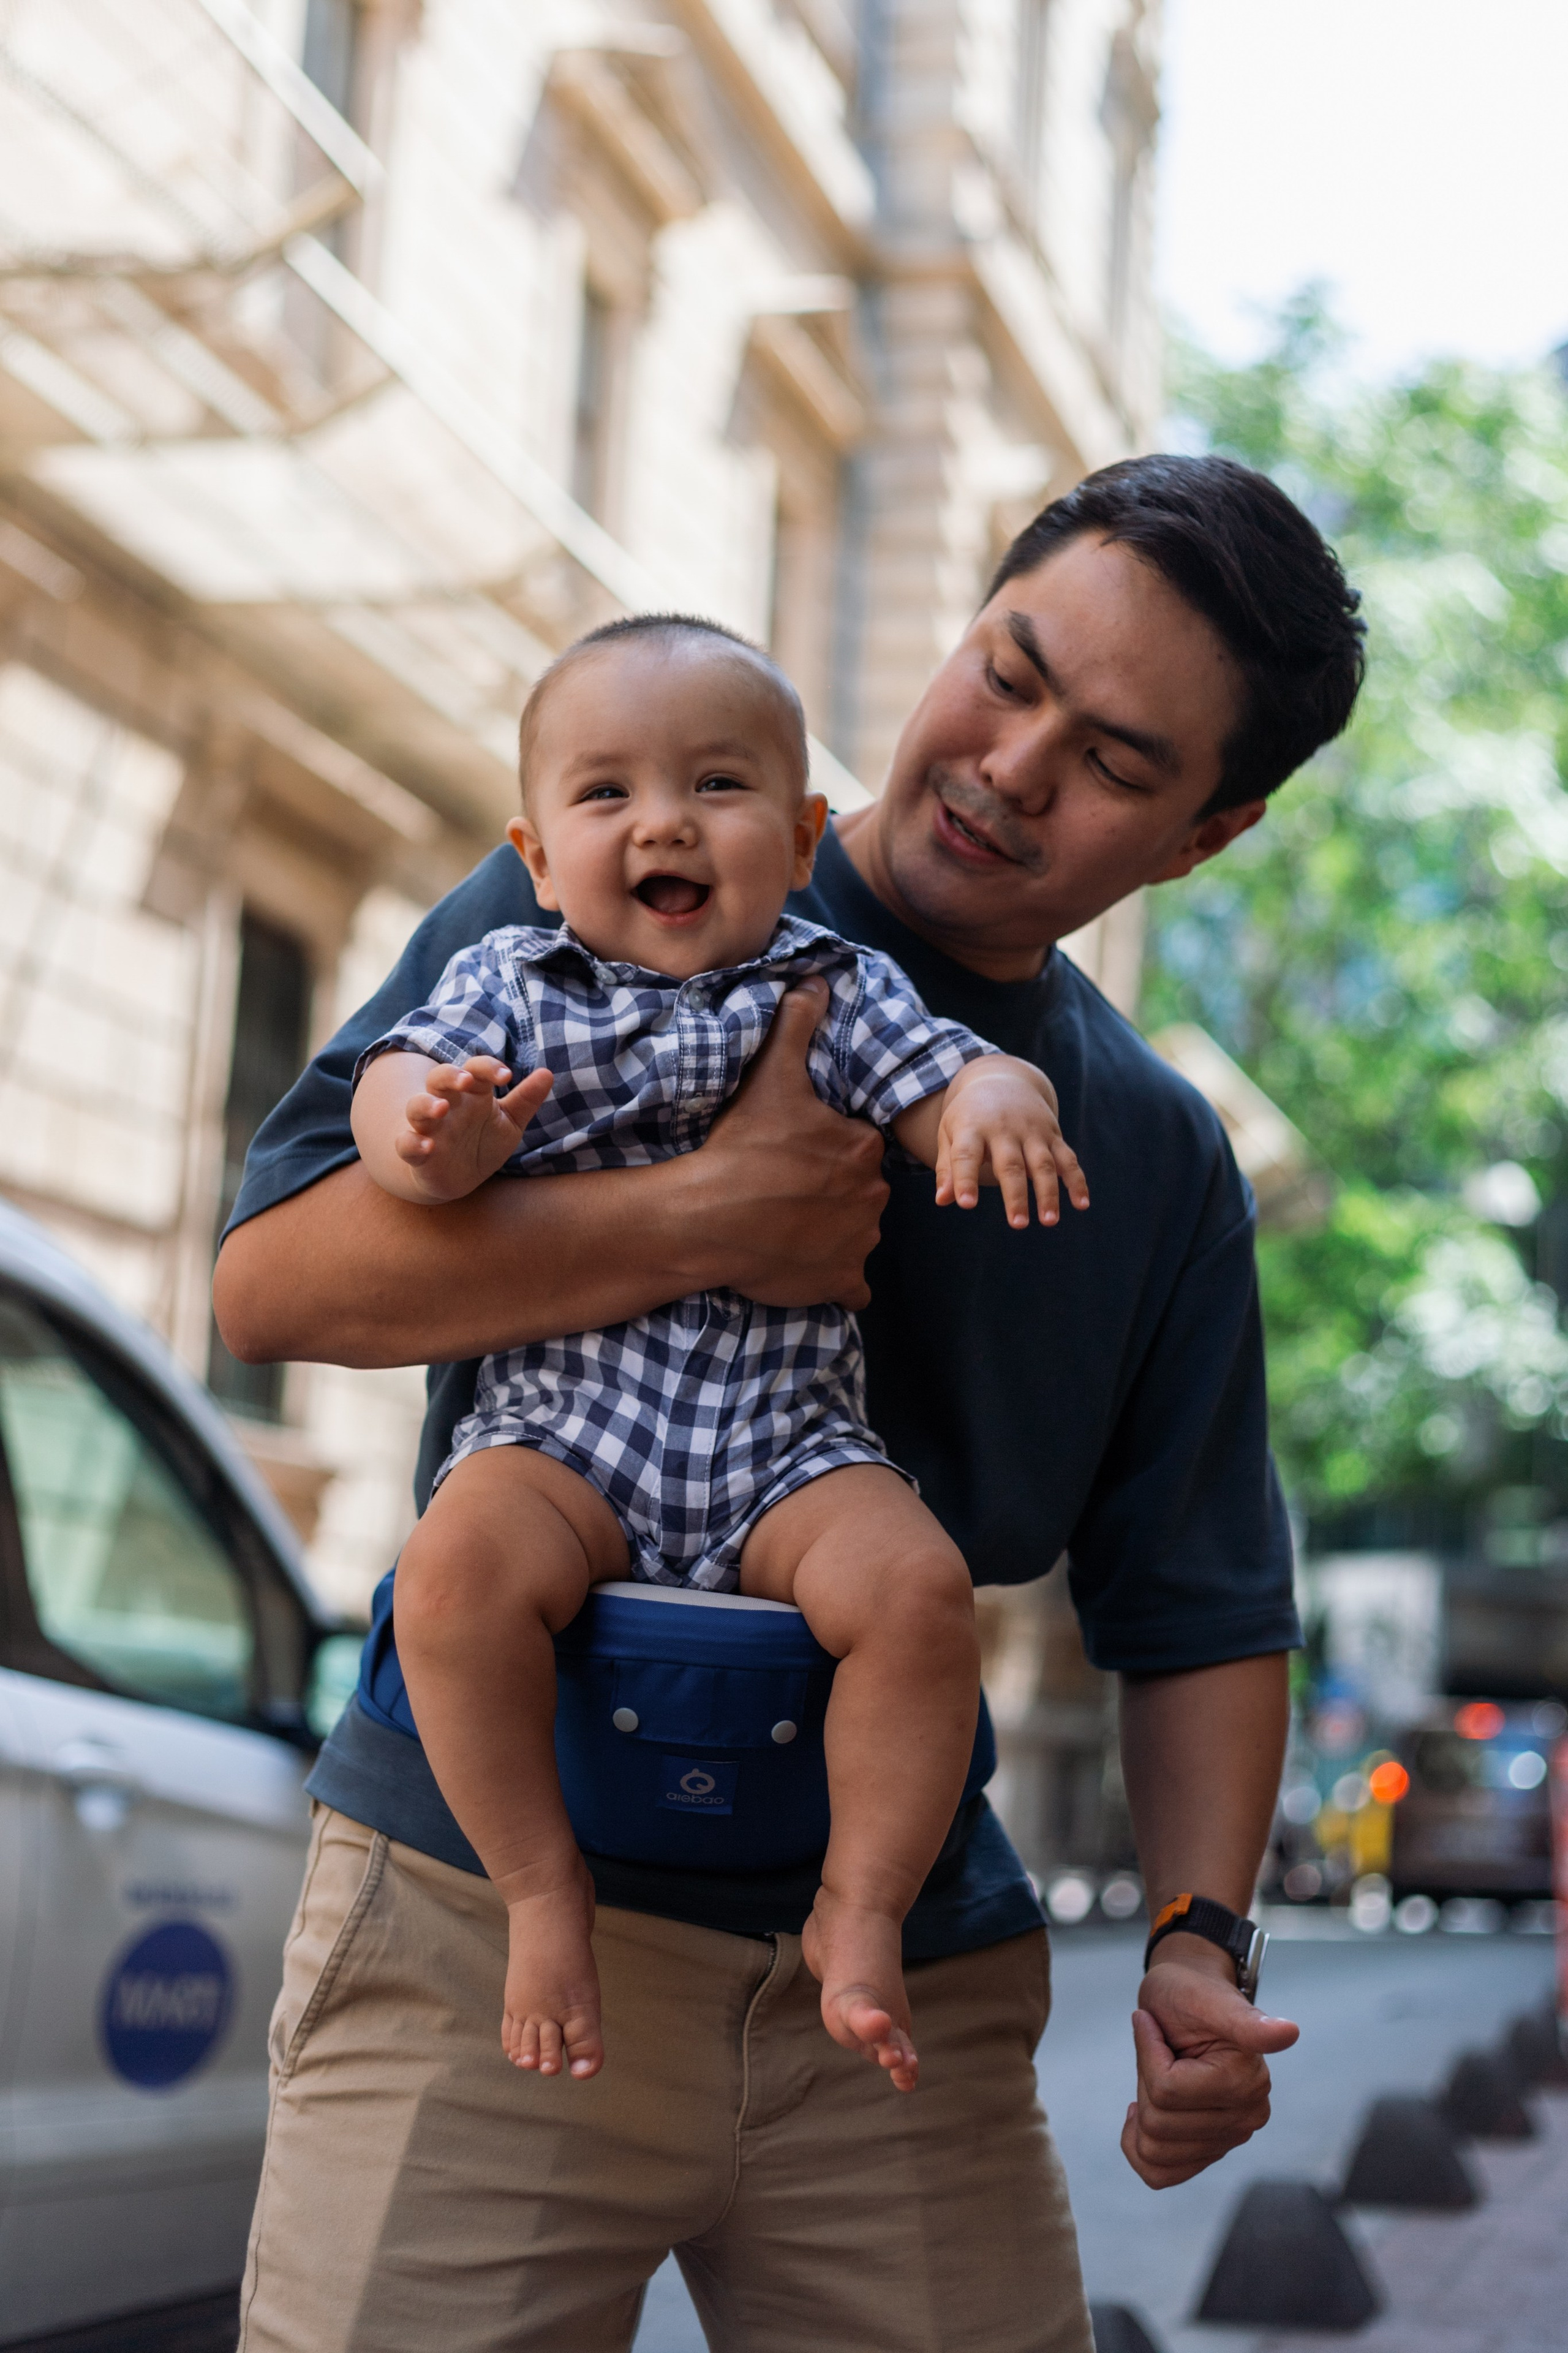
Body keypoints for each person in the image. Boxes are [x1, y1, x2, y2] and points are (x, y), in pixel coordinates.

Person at [218, 454, 1366, 2353]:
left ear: (1208, 836)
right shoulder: (593, 877)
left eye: (1114, 761)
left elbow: (1201, 1602)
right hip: (487, 1920)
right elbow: (272, 1281)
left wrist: (1198, 1944)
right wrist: (696, 1218)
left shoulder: (1153, 1156)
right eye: (1008, 673)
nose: (1010, 765)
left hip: (900, 1991)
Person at [347, 613, 1085, 2089]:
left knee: (917, 1593)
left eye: (719, 787)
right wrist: (432, 1138)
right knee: (448, 1578)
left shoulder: (832, 985)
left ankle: (858, 1910)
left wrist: (998, 1093)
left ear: (805, 835)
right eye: (605, 792)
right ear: (539, 853)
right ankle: (542, 1893)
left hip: (784, 1441)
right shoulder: (508, 975)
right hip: (565, 1430)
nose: (664, 822)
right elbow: (394, 1087)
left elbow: (940, 1082)